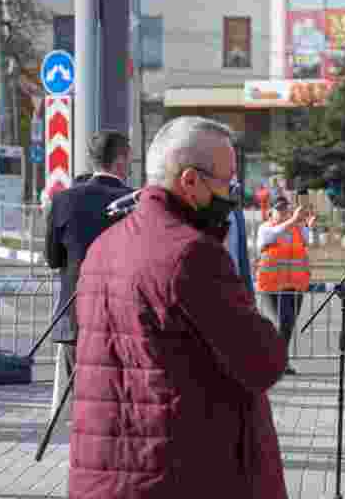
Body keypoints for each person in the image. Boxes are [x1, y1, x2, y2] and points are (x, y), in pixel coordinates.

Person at [67, 117, 288, 498]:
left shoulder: (104, 247)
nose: (233, 193)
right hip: (181, 472)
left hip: (108, 472)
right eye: (227, 181)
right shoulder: (193, 254)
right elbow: (262, 360)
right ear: (190, 181)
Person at [44, 131, 133, 422]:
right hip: (121, 317)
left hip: (74, 315)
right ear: (121, 161)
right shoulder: (134, 202)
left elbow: (53, 258)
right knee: (117, 400)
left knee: (83, 401)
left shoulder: (64, 200)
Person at [256, 194, 315, 376]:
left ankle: (280, 360)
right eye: (279, 209)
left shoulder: (296, 228)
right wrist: (293, 221)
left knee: (287, 325)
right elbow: (274, 234)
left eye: (286, 209)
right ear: (271, 212)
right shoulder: (266, 228)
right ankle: (278, 362)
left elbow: (310, 241)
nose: (283, 212)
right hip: (272, 285)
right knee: (285, 320)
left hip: (296, 284)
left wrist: (307, 225)